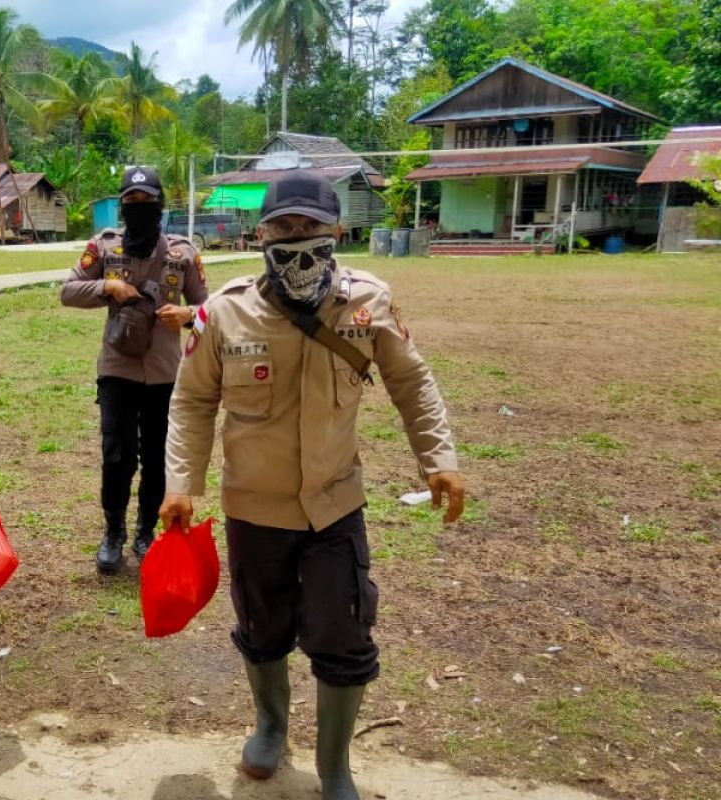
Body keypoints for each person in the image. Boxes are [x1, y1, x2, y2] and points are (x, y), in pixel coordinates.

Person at [159, 173, 466, 799]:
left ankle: (336, 769)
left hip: (334, 505)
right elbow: (192, 403)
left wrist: (438, 458)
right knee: (262, 625)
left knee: (344, 630)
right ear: (261, 234)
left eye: (311, 230)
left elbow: (413, 383)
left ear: (336, 233)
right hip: (254, 506)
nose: (297, 241)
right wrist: (181, 483)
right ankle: (270, 727)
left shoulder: (368, 301)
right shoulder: (224, 311)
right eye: (283, 229)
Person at [60, 167, 208, 574]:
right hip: (117, 371)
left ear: (160, 204)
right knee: (116, 457)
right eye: (131, 203)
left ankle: (145, 532)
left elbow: (211, 311)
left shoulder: (183, 253)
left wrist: (187, 314)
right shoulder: (103, 248)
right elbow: (67, 291)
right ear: (122, 206)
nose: (140, 209)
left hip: (165, 374)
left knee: (158, 458)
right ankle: (113, 533)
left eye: (147, 202)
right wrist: (108, 288)